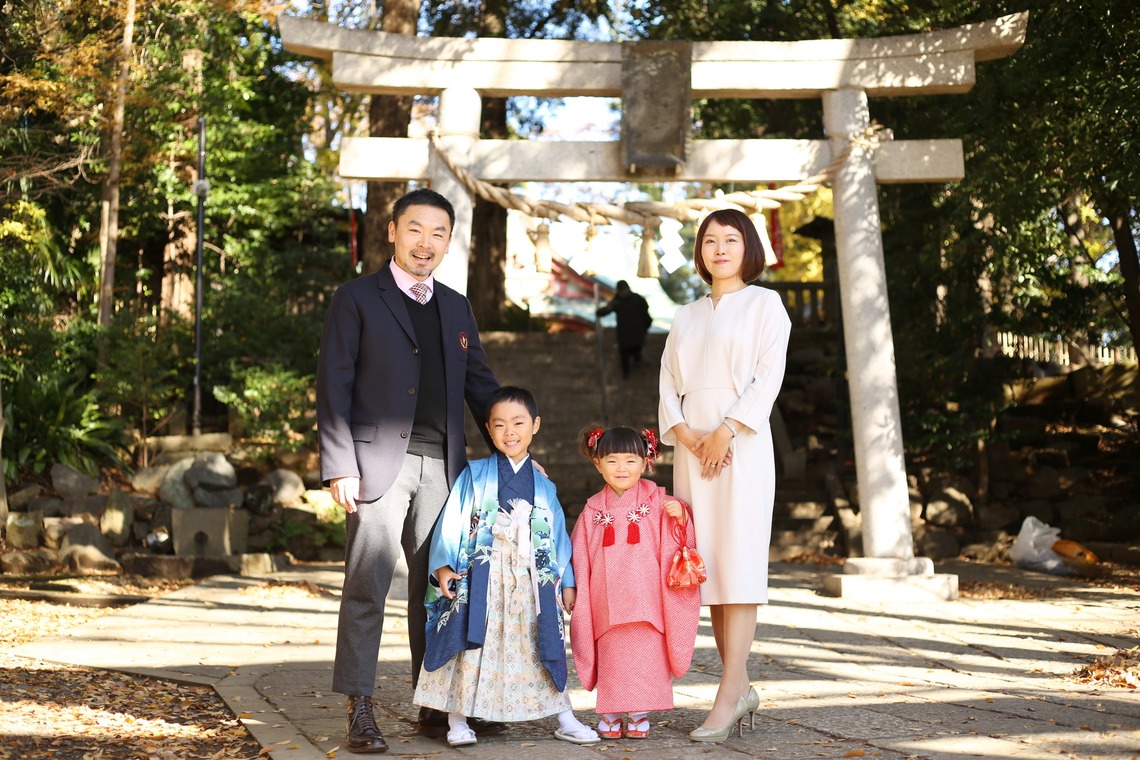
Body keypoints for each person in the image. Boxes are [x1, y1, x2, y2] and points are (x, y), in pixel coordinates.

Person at [316, 187, 502, 754]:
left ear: (449, 242)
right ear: (393, 231)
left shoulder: (457, 306)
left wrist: (513, 439)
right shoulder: (356, 298)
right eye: (415, 229)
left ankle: (434, 704)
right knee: (367, 588)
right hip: (374, 466)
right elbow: (334, 385)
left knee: (442, 591)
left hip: (445, 471)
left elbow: (481, 387)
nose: (426, 242)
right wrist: (338, 464)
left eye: (438, 233)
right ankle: (360, 710)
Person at [658, 208, 792, 743]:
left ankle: (730, 690)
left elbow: (768, 373)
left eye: (730, 240)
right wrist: (688, 434)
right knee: (708, 571)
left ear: (748, 248)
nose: (719, 249)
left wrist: (727, 429)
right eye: (709, 241)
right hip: (692, 450)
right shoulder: (685, 314)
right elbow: (668, 381)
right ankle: (738, 687)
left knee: (738, 565)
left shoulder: (765, 304)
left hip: (743, 446)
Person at [412, 386, 600, 748]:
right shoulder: (476, 473)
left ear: (536, 425)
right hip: (483, 571)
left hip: (531, 578)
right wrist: (444, 565)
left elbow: (559, 536)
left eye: (518, 423)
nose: (509, 432)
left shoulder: (543, 484)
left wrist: (568, 581)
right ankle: (458, 719)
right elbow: (454, 517)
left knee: (537, 642)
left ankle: (563, 716)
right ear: (488, 428)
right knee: (469, 645)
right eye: (499, 425)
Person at [569, 425, 701, 740]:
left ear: (646, 462)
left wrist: (680, 516)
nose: (621, 468)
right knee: (613, 655)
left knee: (645, 654)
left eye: (630, 460)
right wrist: (573, 586)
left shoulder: (657, 501)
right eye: (612, 461)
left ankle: (640, 711)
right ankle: (612, 711)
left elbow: (678, 544)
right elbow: (578, 554)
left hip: (648, 598)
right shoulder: (592, 510)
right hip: (606, 600)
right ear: (597, 463)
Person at [597, 280, 652, 378]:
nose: (623, 293)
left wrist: (645, 328)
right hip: (624, 336)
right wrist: (600, 311)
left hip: (637, 334)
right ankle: (626, 374)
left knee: (637, 351)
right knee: (624, 355)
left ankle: (638, 364)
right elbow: (604, 311)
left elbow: (646, 315)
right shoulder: (617, 302)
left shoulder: (638, 299)